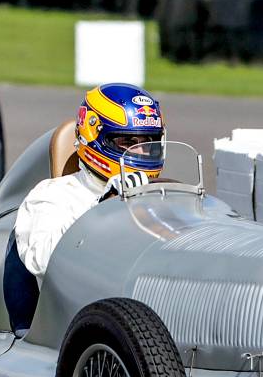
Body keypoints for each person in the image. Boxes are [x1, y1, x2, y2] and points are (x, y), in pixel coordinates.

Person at [14, 84, 164, 284]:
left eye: (148, 142)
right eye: (128, 142)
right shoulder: (54, 195)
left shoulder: (161, 197)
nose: (141, 152)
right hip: (79, 307)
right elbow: (40, 261)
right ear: (95, 137)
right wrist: (101, 210)